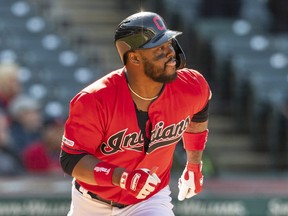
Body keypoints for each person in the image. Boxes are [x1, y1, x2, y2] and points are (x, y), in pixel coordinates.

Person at [60, 11, 211, 216]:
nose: (170, 53)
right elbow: (71, 160)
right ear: (135, 58)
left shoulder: (191, 85)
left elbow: (200, 110)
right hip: (90, 204)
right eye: (159, 48)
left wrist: (194, 164)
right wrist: (122, 177)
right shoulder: (94, 99)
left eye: (169, 44)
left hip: (149, 201)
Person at [0, 109, 24, 176]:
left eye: (5, 129)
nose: (6, 134)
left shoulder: (10, 151)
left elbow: (21, 174)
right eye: (2, 130)